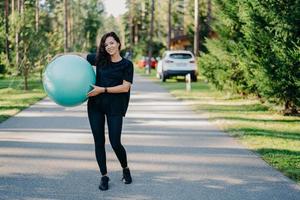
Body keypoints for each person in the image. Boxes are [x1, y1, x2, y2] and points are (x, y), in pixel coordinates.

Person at [85, 32, 134, 191]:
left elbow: (125, 87)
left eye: (112, 43)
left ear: (119, 43)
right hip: (95, 106)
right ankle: (104, 176)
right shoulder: (100, 59)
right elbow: (80, 57)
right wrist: (59, 57)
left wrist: (103, 89)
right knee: (99, 141)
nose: (109, 47)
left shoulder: (127, 65)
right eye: (106, 45)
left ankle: (125, 168)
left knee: (115, 142)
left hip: (115, 107)